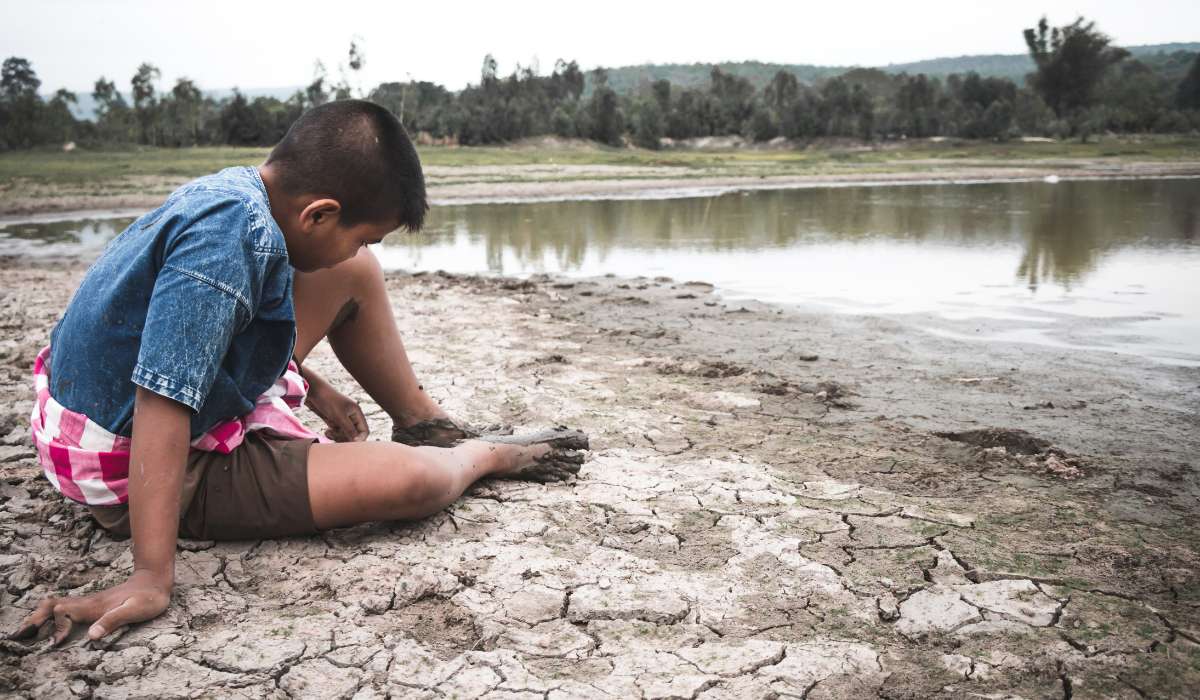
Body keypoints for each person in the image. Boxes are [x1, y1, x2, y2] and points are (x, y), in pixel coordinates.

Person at [11, 100, 587, 647]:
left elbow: (203, 332)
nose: (359, 247)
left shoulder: (241, 195)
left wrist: (317, 390)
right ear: (319, 213)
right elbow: (163, 399)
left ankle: (423, 421)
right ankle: (485, 454)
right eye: (361, 234)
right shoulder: (224, 247)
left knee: (352, 272)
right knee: (417, 482)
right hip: (134, 460)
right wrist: (150, 576)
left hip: (134, 404)